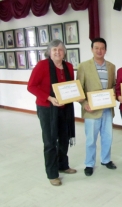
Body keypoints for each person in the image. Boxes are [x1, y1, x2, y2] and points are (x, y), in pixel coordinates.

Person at [27, 39, 76, 186]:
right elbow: (31, 86)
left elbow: (70, 87)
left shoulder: (68, 66)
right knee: (50, 142)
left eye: (60, 49)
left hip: (65, 109)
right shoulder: (42, 66)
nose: (57, 52)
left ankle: (63, 165)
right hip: (47, 109)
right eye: (54, 49)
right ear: (49, 52)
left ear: (64, 52)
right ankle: (52, 173)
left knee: (64, 138)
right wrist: (49, 98)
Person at [76, 37, 117, 176]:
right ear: (92, 49)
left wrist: (115, 94)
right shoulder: (83, 66)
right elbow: (79, 88)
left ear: (105, 50)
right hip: (91, 110)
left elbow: (113, 86)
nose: (99, 51)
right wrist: (84, 103)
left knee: (108, 137)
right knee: (90, 139)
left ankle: (106, 160)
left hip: (107, 109)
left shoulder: (111, 67)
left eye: (102, 48)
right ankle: (89, 163)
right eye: (96, 48)